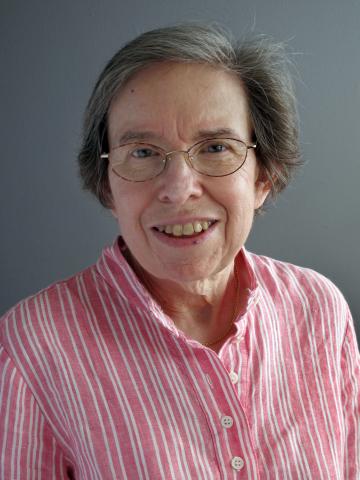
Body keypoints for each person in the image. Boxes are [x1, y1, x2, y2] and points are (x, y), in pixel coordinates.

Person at [0, 23, 359, 480]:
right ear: (107, 186)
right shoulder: (31, 349)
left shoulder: (319, 309)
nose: (179, 189)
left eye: (215, 147)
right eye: (144, 152)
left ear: (263, 176)